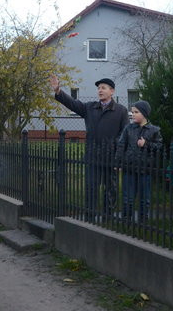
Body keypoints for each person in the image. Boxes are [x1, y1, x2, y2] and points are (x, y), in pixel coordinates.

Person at [50, 74, 128, 220]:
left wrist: (118, 155)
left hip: (111, 159)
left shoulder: (121, 111)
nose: (100, 90)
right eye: (98, 88)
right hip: (92, 156)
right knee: (91, 188)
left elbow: (124, 135)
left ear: (112, 91)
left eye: (103, 88)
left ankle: (108, 218)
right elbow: (73, 103)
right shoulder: (90, 107)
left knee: (110, 190)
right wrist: (58, 91)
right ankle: (89, 218)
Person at [115, 100, 162, 222]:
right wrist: (118, 162)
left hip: (145, 169)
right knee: (127, 197)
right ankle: (126, 219)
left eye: (136, 112)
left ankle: (143, 220)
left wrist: (146, 143)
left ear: (144, 113)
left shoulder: (154, 130)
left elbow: (159, 147)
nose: (133, 114)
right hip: (129, 168)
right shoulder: (128, 128)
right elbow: (121, 145)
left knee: (144, 198)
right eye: (132, 112)